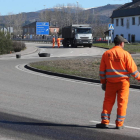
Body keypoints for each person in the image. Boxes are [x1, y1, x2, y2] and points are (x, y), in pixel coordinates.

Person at [96, 35, 140, 129]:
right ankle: (119, 124)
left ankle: (104, 122)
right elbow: (133, 71)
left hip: (110, 83)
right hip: (123, 83)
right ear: (121, 43)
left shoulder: (106, 54)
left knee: (108, 102)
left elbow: (102, 71)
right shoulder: (126, 54)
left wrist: (103, 82)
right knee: (122, 103)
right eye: (123, 42)